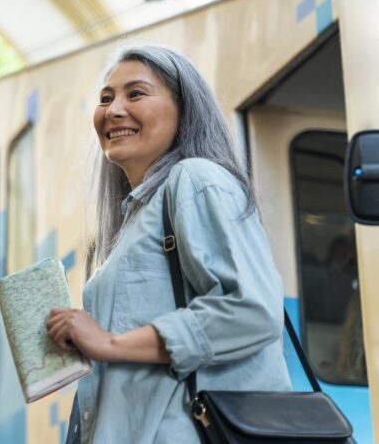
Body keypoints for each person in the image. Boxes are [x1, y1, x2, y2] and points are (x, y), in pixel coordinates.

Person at [47, 43, 291, 443]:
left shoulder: (195, 179)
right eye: (105, 98)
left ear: (184, 110)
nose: (113, 110)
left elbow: (251, 308)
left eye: (136, 93)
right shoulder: (136, 216)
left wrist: (108, 342)